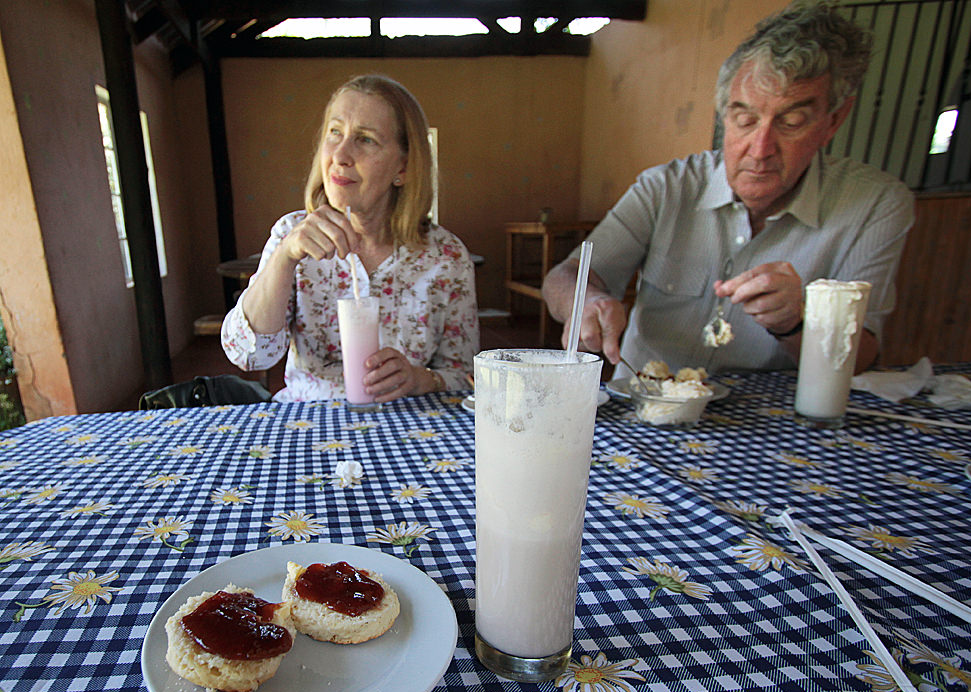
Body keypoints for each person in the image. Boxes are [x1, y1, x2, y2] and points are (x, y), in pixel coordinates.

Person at [542, 1, 914, 377]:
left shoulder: (875, 204)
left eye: (792, 121)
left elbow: (860, 358)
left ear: (833, 120)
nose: (760, 148)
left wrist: (798, 322)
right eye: (744, 119)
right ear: (724, 115)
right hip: (647, 401)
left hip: (768, 419)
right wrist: (587, 300)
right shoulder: (666, 187)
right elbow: (564, 277)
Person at [222, 74, 479, 402]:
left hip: (407, 432)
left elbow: (469, 378)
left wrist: (421, 379)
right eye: (335, 132)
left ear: (403, 166)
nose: (340, 155)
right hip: (309, 425)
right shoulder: (291, 235)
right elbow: (247, 355)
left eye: (366, 139)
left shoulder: (446, 257)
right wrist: (284, 258)